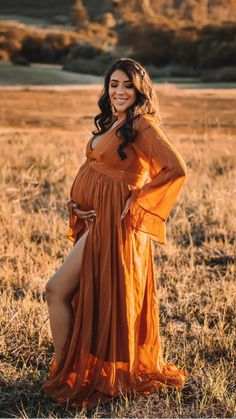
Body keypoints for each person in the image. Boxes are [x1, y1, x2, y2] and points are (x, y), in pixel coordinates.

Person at [42, 57, 188, 409]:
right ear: (106, 89)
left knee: (55, 290)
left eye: (127, 85)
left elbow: (175, 168)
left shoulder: (142, 124)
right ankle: (71, 369)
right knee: (82, 296)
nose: (119, 91)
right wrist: (78, 204)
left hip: (115, 226)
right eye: (114, 85)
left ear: (140, 90)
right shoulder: (115, 121)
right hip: (96, 222)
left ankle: (69, 374)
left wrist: (137, 200)